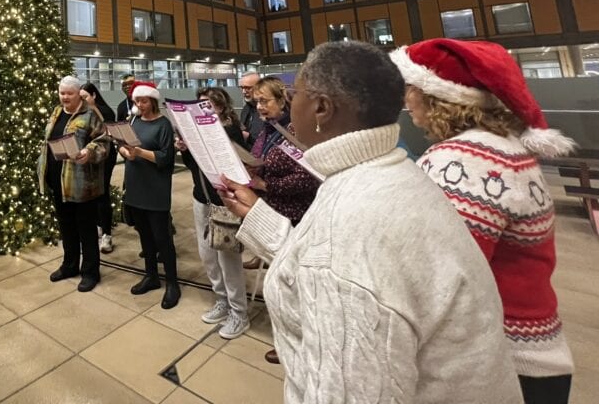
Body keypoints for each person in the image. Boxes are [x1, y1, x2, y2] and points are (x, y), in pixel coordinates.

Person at [218, 42, 521, 403]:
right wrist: (256, 215)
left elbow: (338, 272)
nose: (288, 103)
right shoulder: (382, 173)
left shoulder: (354, 219)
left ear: (321, 108)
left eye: (295, 93)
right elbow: (323, 257)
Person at [392, 39, 575, 403]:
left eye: (409, 90)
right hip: (536, 355)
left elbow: (442, 277)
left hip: (498, 365)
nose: (404, 101)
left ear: (436, 95)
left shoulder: (460, 160)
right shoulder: (505, 147)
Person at [177, 87, 249, 338]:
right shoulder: (196, 132)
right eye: (198, 106)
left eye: (207, 106)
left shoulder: (230, 131)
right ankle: (222, 301)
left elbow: (239, 168)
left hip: (224, 203)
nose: (201, 110)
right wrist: (186, 149)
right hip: (201, 199)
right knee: (207, 254)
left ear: (220, 108)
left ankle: (239, 313)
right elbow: (192, 168)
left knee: (228, 259)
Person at [243, 77, 320, 278]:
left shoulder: (297, 130)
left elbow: (307, 178)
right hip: (273, 212)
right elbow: (261, 158)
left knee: (293, 277)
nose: (259, 107)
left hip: (294, 215)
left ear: (281, 101)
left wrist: (267, 185)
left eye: (264, 101)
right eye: (257, 102)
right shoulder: (269, 128)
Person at [38, 75, 109, 292]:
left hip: (82, 186)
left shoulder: (90, 115)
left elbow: (104, 142)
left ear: (79, 93)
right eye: (62, 93)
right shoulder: (57, 112)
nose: (65, 97)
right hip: (58, 182)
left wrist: (90, 151)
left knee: (86, 231)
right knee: (66, 228)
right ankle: (69, 265)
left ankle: (90, 272)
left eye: (69, 93)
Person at [117, 81, 180, 309]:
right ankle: (151, 275)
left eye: (143, 101)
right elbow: (123, 146)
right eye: (137, 101)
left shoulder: (163, 125)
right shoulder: (133, 121)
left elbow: (165, 158)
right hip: (136, 186)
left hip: (155, 189)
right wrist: (126, 151)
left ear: (152, 101)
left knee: (163, 239)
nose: (140, 105)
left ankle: (172, 283)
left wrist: (139, 152)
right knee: (144, 236)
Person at [81, 81, 118, 254]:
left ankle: (107, 234)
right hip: (89, 157)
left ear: (94, 95)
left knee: (102, 194)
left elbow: (108, 134)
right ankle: (97, 225)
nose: (83, 100)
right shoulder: (82, 113)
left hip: (106, 156)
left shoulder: (105, 111)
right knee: (92, 193)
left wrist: (92, 108)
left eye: (85, 97)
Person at [238, 71, 260, 149]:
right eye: (242, 88)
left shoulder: (267, 111)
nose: (244, 92)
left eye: (248, 88)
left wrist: (248, 137)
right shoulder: (246, 109)